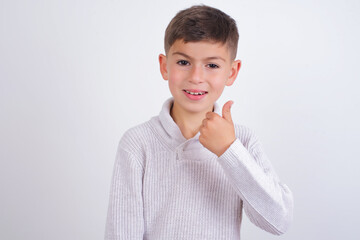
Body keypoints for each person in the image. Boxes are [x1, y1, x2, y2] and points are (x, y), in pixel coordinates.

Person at [105, 4, 293, 240]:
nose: (196, 77)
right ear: (165, 66)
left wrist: (229, 150)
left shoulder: (242, 140)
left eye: (212, 65)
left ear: (232, 72)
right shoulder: (137, 143)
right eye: (183, 62)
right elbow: (121, 233)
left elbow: (279, 221)